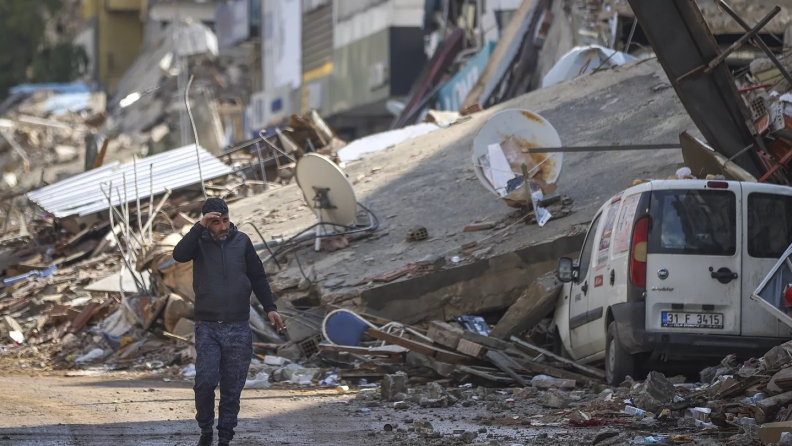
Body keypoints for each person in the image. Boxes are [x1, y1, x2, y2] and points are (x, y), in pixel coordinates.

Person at [173, 198, 284, 446]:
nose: (222, 226)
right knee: (205, 382)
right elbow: (179, 255)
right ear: (206, 222)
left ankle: (225, 437)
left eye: (225, 220)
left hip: (238, 326)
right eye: (216, 222)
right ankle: (205, 429)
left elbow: (258, 276)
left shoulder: (242, 241)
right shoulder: (198, 242)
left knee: (232, 388)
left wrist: (270, 308)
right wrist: (199, 227)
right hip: (207, 326)